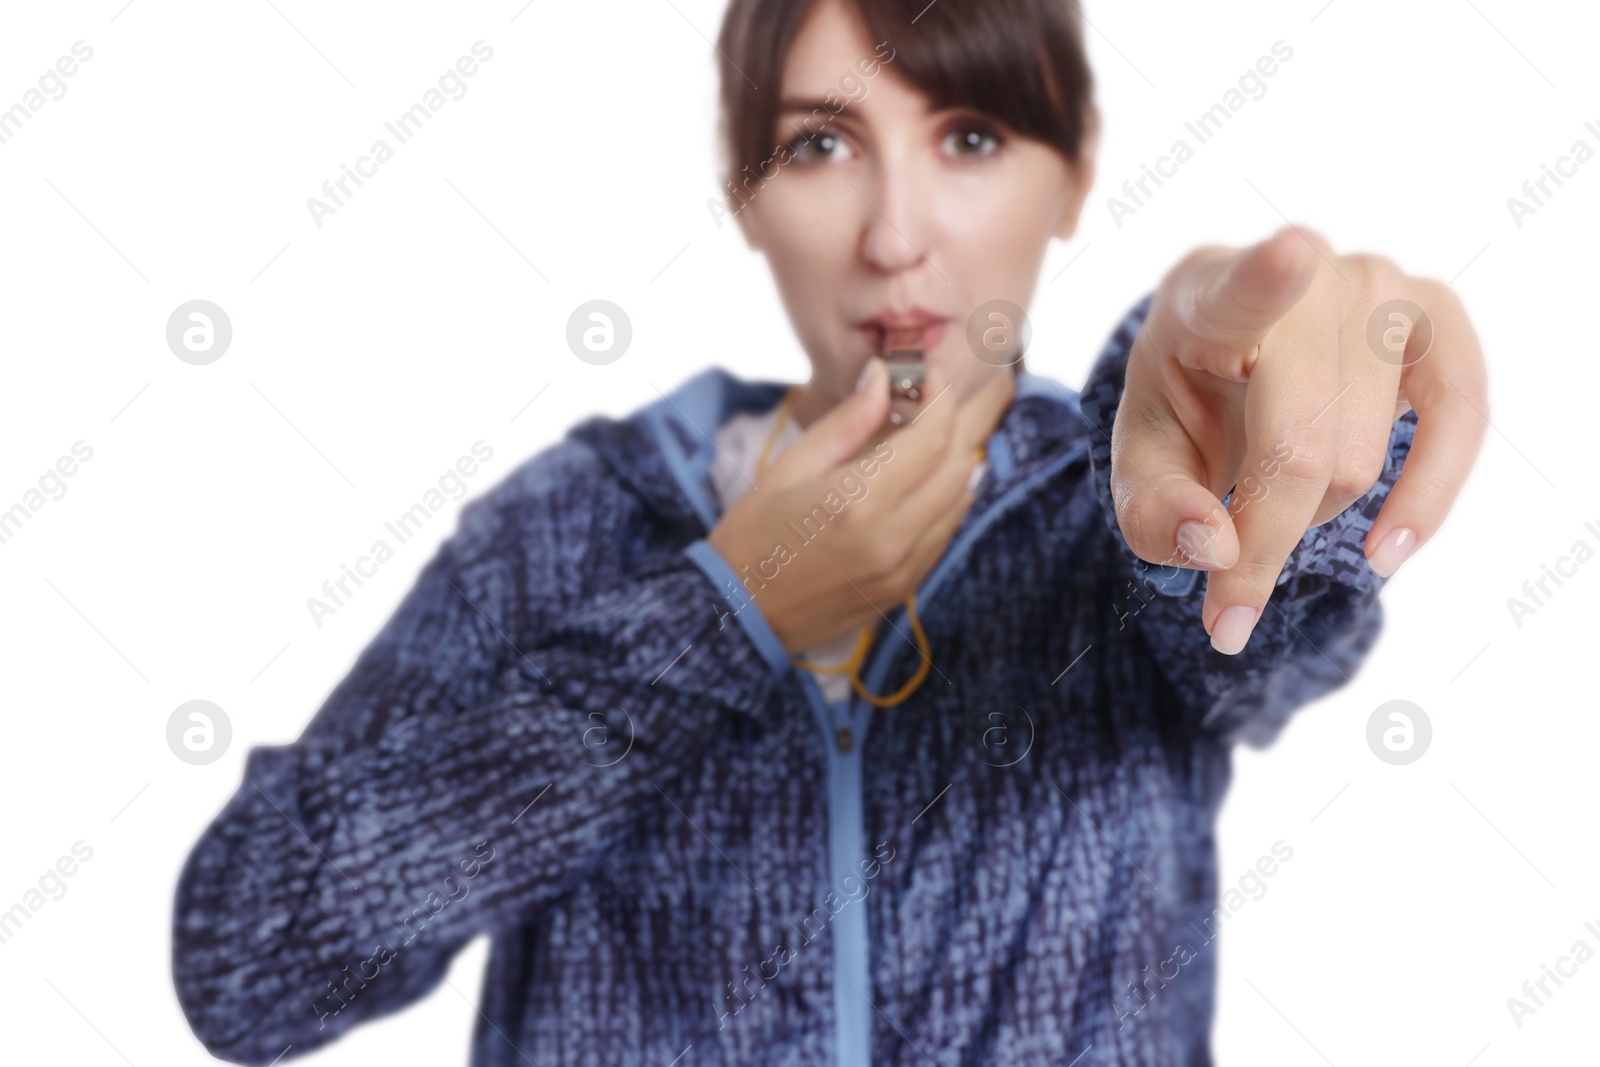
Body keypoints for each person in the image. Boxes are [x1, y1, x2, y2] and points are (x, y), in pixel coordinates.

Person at [171, 0, 1486, 1064]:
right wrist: (725, 613)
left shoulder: (1118, 508)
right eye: (818, 144)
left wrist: (1248, 369)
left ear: (1075, 173)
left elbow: (1280, 609)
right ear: (743, 193)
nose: (896, 237)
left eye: (970, 138)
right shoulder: (570, 525)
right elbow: (255, 966)